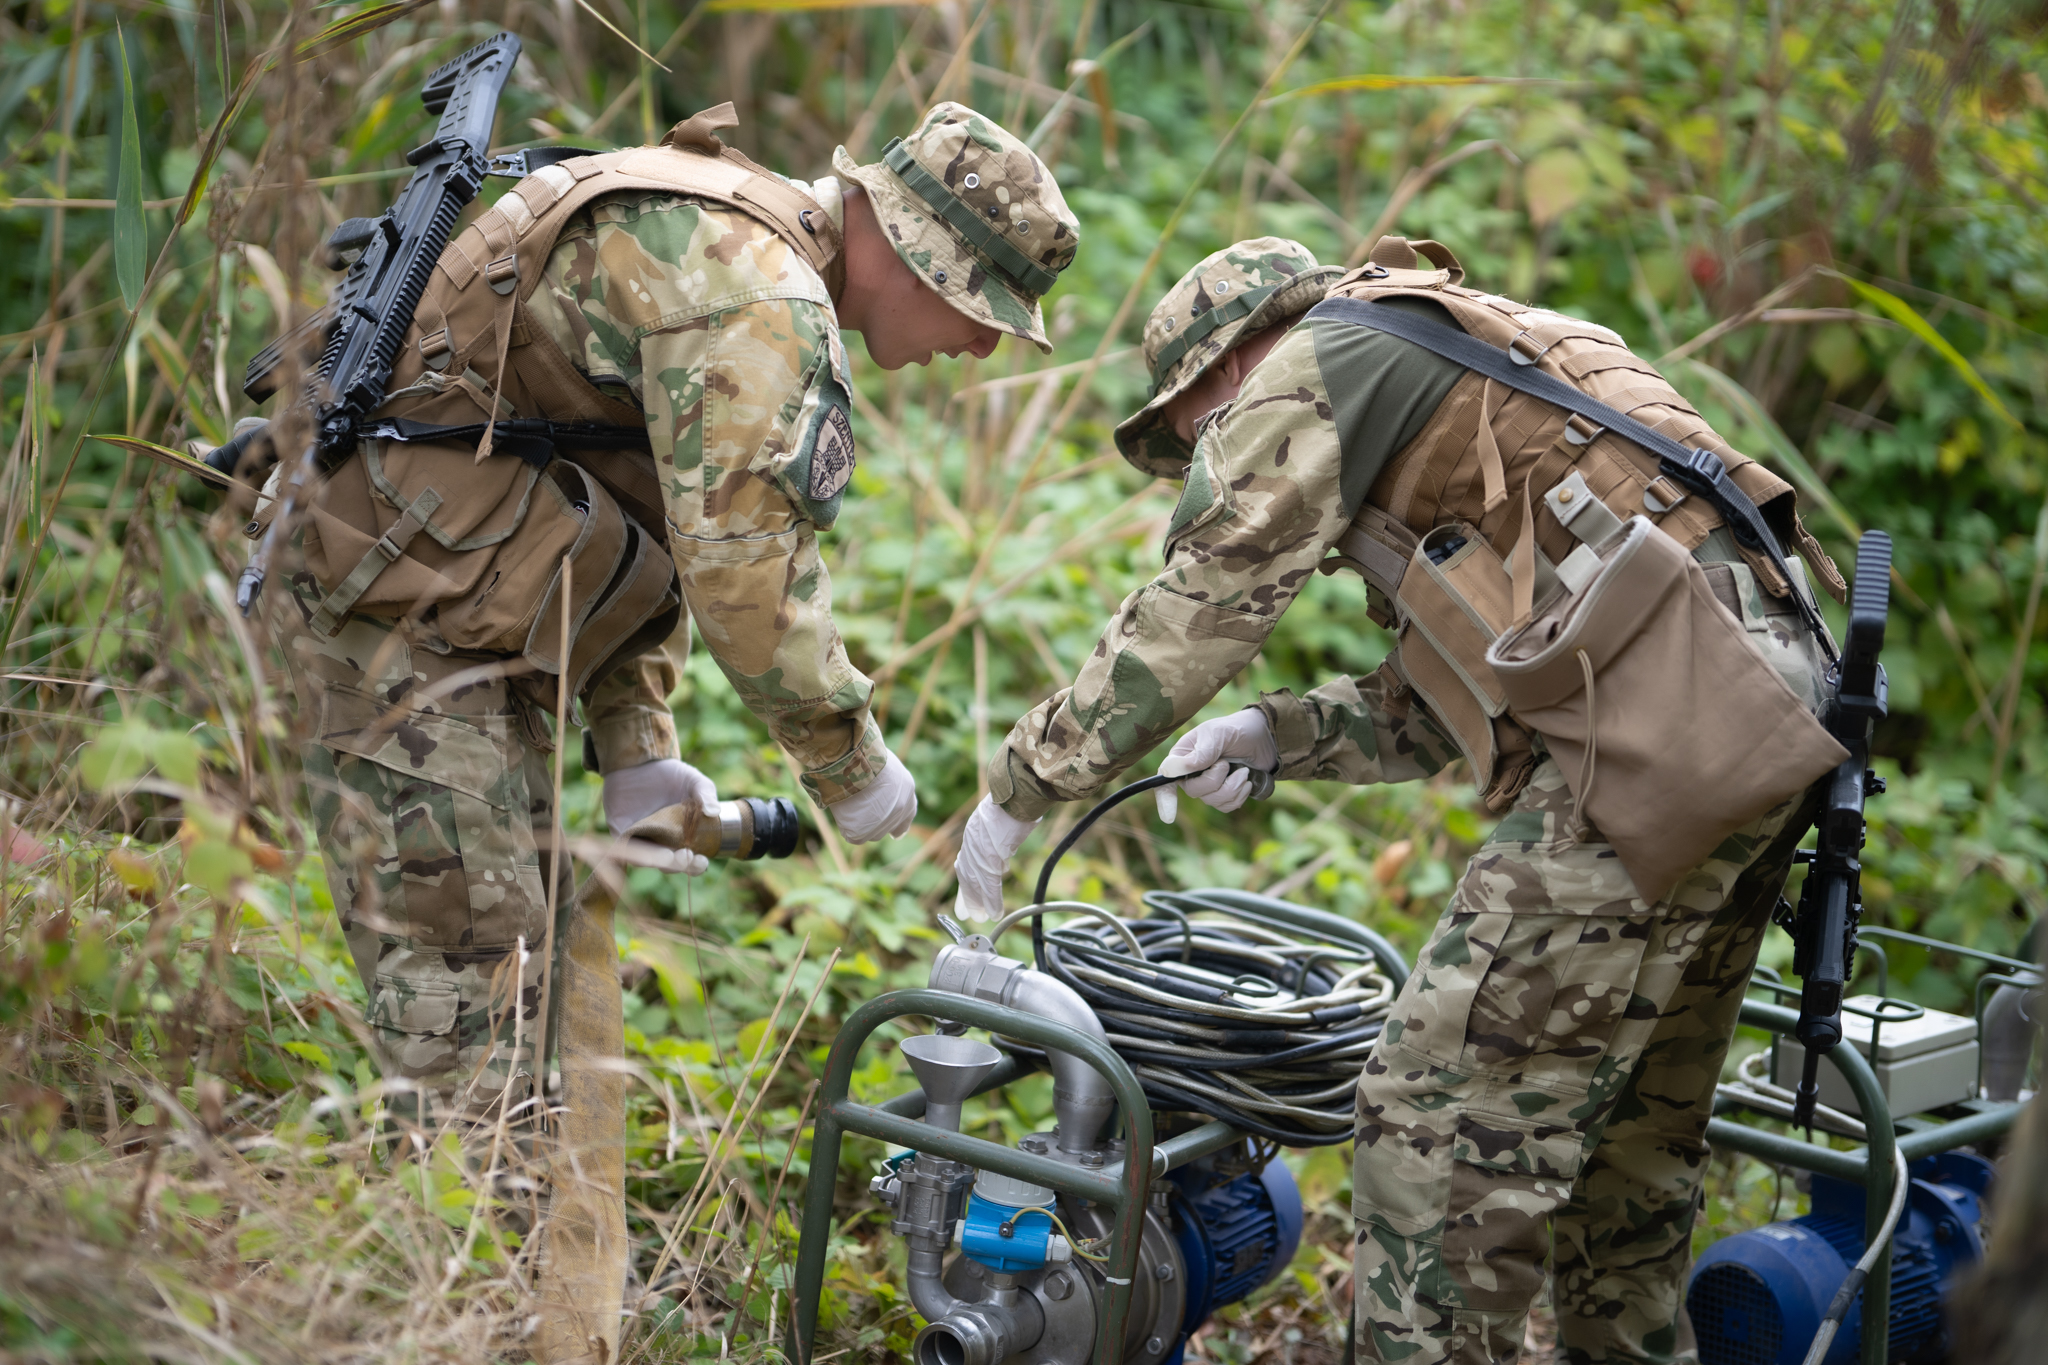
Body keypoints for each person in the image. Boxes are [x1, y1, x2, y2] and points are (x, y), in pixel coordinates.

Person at [253, 101, 1078, 1364]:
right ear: (917, 257)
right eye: (979, 311)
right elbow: (745, 578)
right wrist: (852, 767)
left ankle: (512, 1294)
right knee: (465, 1011)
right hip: (402, 632)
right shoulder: (760, 297)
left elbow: (617, 492)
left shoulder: (729, 236)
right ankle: (450, 1311)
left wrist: (634, 741)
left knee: (513, 982)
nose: (974, 347)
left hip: (450, 608)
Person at [953, 234, 1851, 1364]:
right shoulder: (1449, 366)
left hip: (1661, 721)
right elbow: (1458, 691)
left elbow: (1196, 610)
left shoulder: (1318, 361)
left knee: (1436, 1130)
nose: (1208, 455)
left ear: (1225, 371)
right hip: (1764, 704)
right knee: (1626, 1134)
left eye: (1194, 431)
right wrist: (1275, 734)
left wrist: (1020, 786)